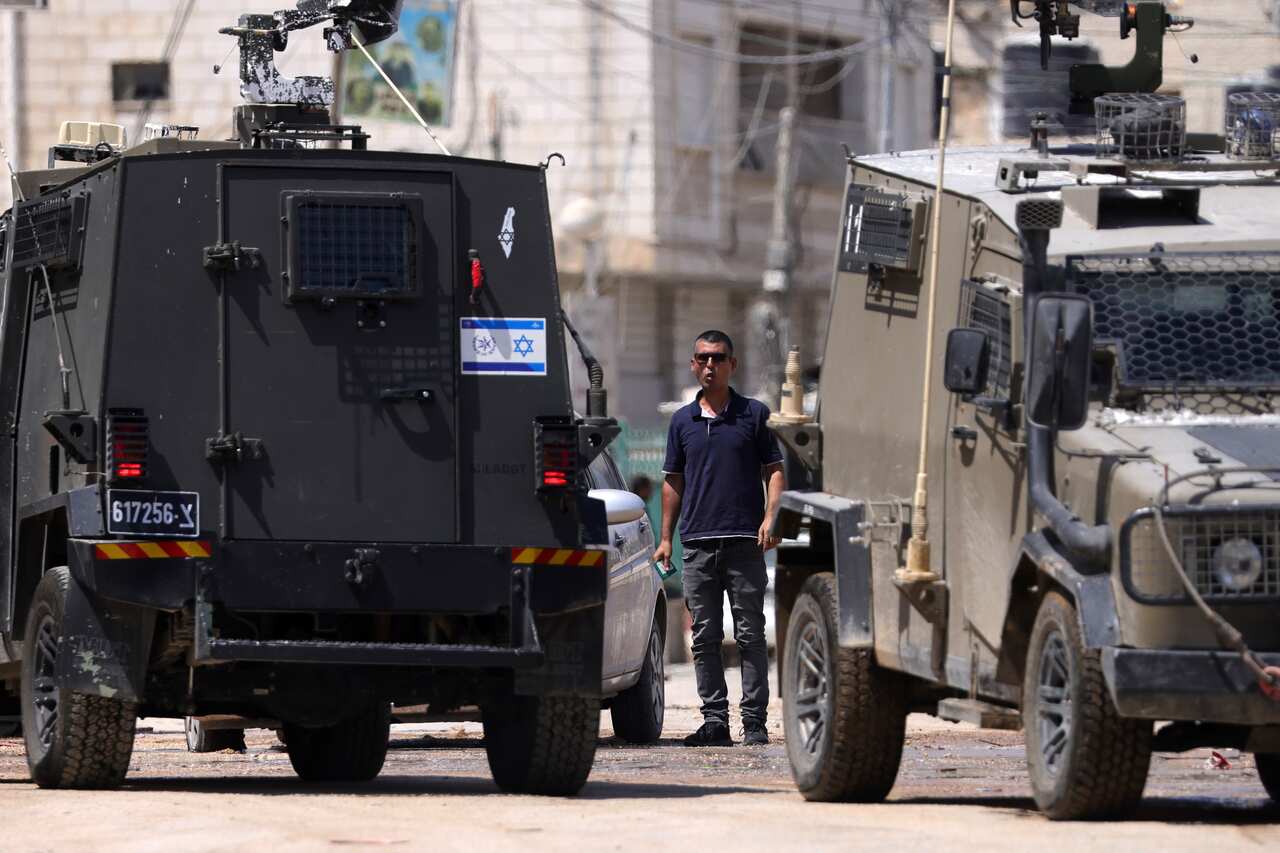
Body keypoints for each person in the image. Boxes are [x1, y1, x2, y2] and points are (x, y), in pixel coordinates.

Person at [654, 330, 784, 747]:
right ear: (693, 365)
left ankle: (755, 723)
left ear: (733, 364)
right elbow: (673, 481)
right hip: (697, 545)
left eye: (718, 358)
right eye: (702, 359)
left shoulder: (755, 414)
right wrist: (665, 539)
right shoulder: (682, 421)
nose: (710, 366)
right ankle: (714, 722)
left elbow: (775, 470)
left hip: (746, 543)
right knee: (704, 636)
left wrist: (771, 517)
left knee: (749, 635)